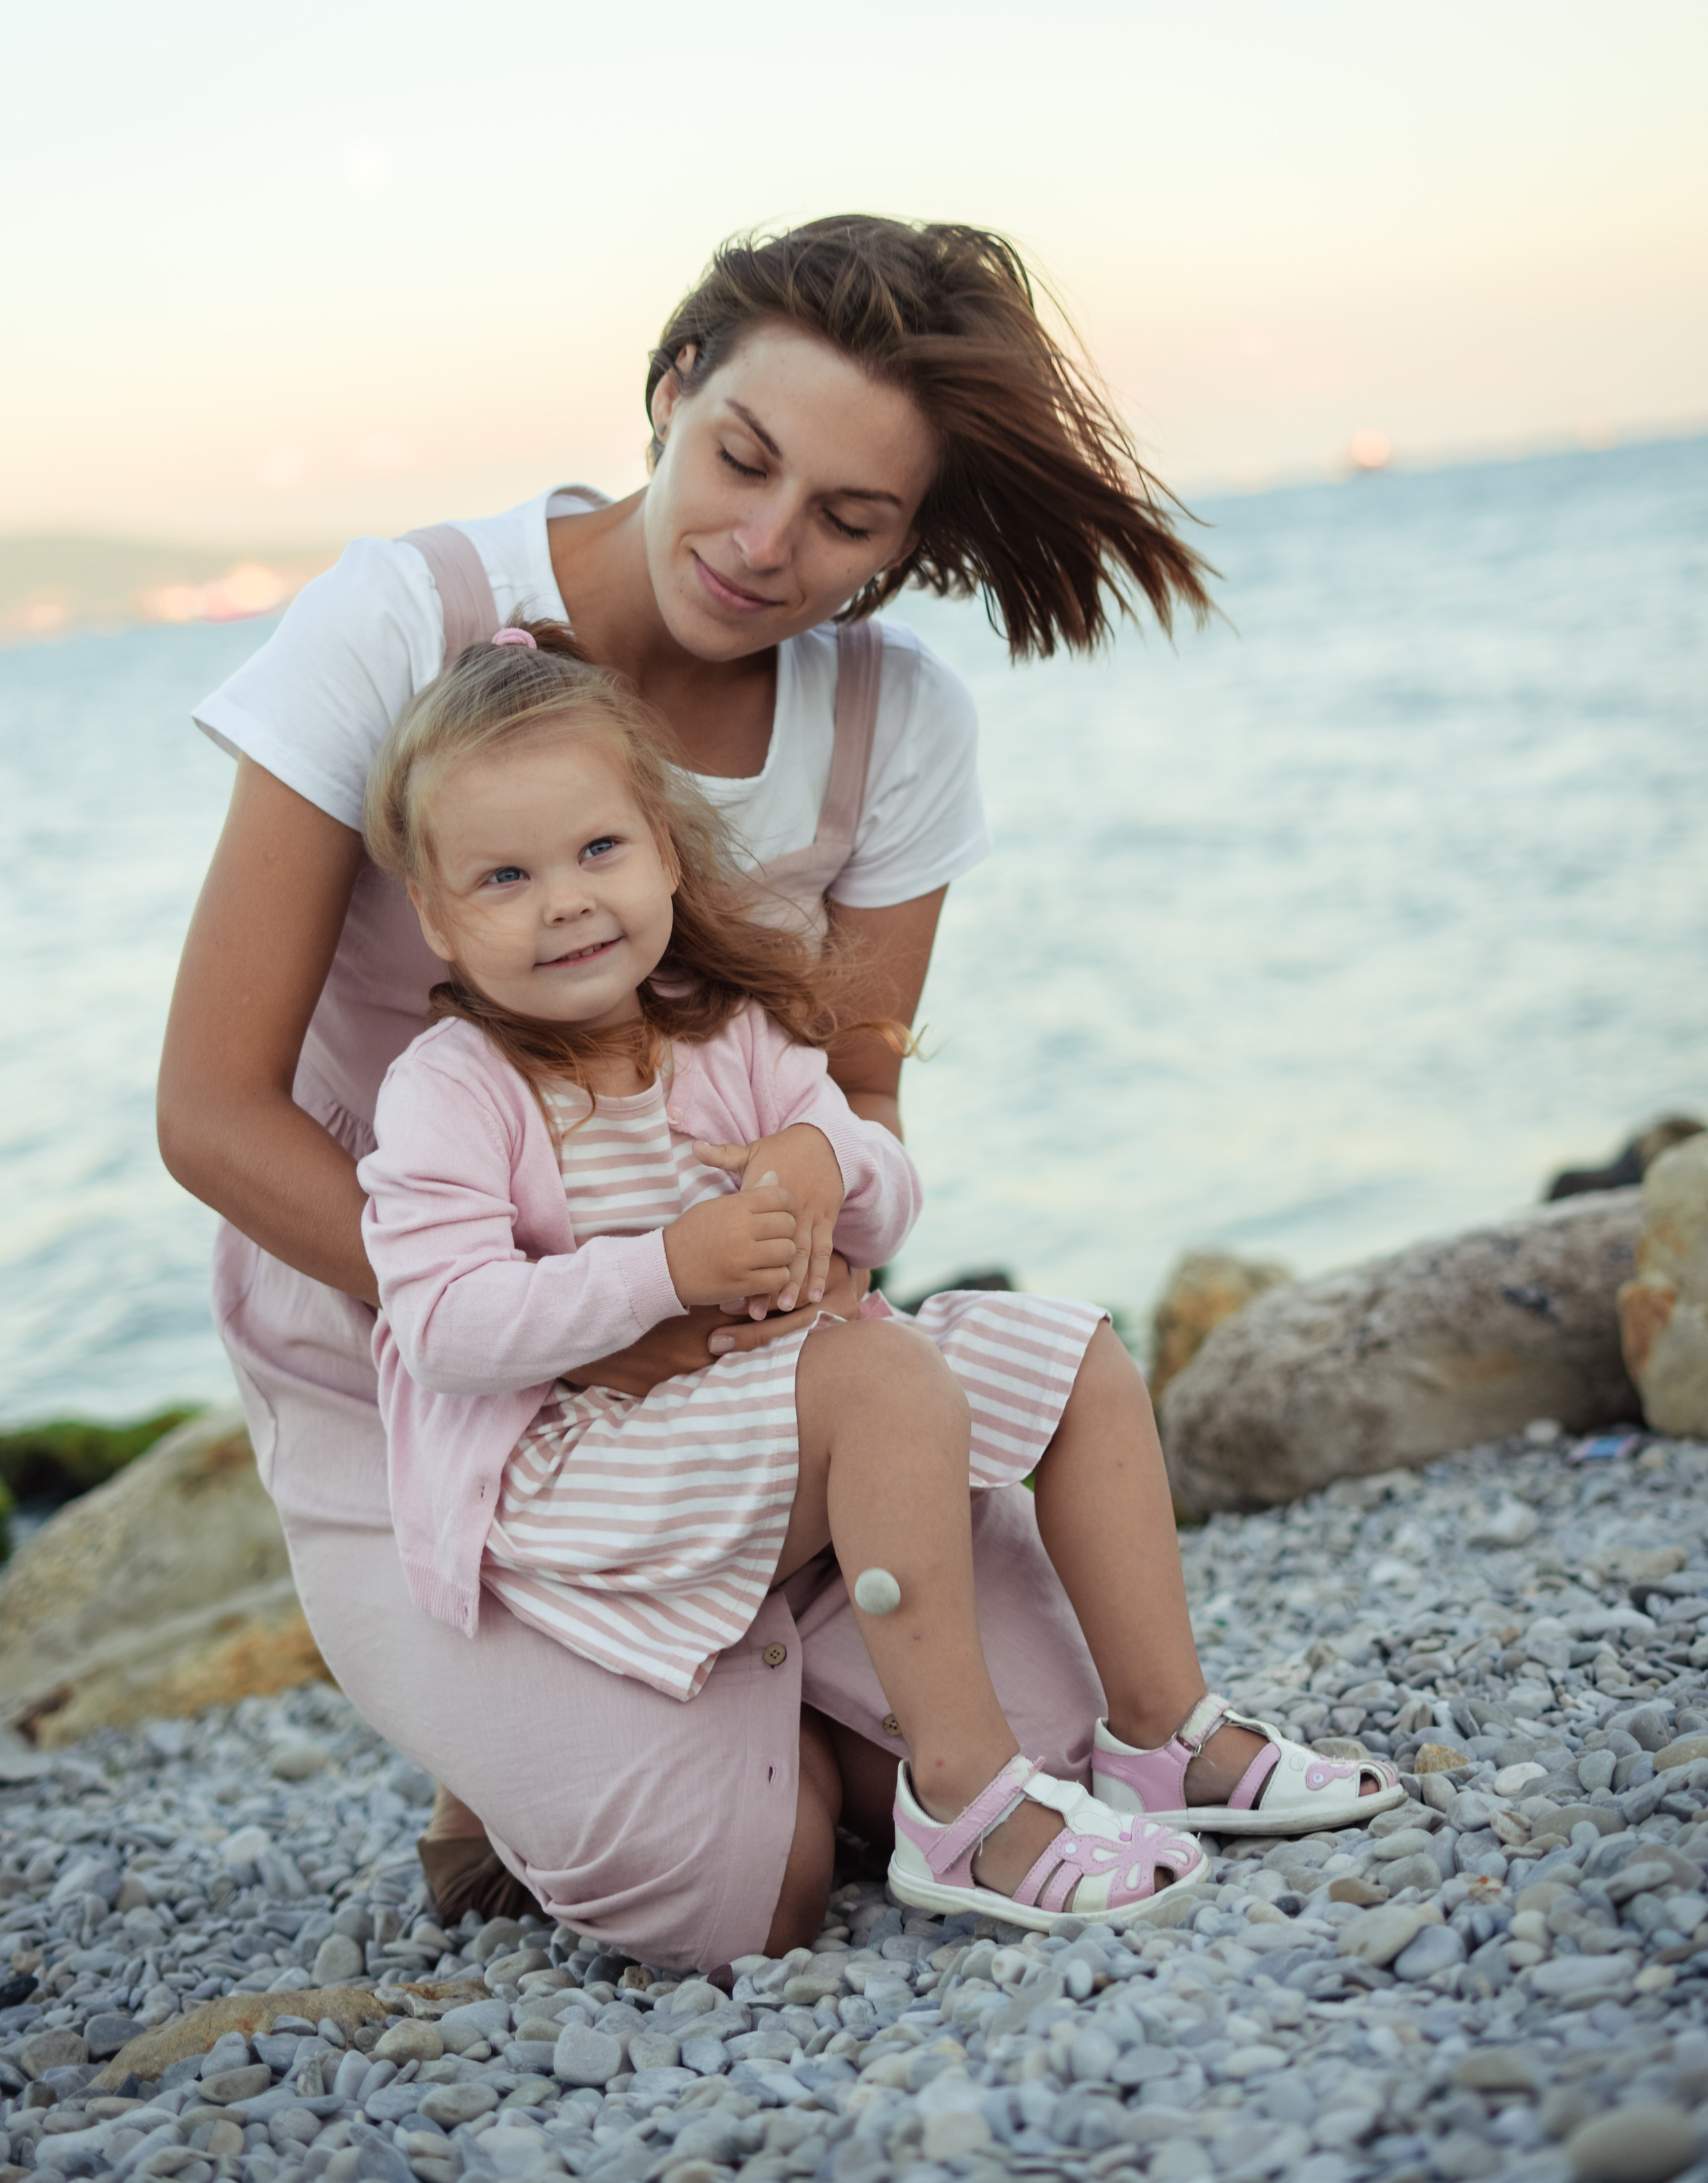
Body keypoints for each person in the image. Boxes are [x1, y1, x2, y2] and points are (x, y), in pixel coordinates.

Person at [158, 215, 1386, 1971]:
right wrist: (598, 1326)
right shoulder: (403, 621)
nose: (763, 542)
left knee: (1036, 1763)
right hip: (423, 1387)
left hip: (742, 1376)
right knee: (743, 1893)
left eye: (848, 518)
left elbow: (851, 1113)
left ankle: (801, 1671)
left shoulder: (896, 727)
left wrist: (807, 1342)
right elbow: (210, 1114)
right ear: (672, 395)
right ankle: (556, 1732)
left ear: (910, 544)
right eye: (742, 458)